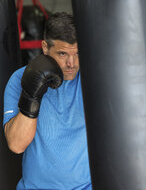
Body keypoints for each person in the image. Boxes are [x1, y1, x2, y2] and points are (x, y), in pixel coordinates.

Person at [3, 12, 92, 190]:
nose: (71, 63)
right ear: (45, 47)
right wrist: (32, 96)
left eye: (77, 54)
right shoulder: (19, 79)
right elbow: (16, 145)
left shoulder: (91, 79)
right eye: (62, 54)